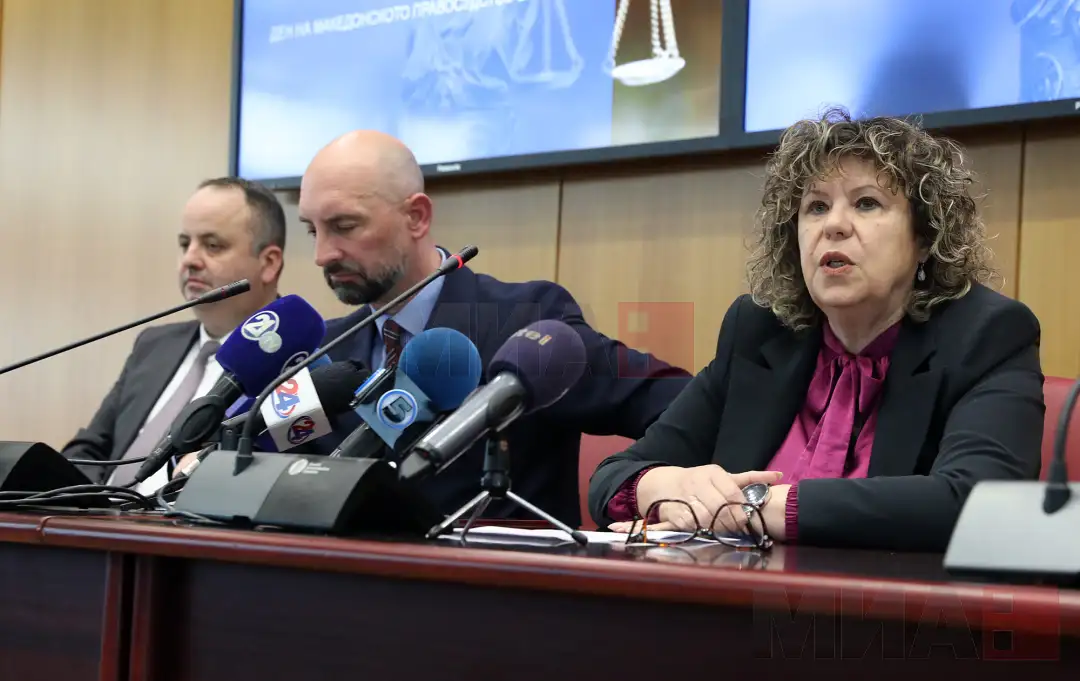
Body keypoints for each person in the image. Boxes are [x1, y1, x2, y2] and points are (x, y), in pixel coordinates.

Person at [588, 108, 1045, 553]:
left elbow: (981, 504)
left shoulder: (986, 334)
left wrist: (752, 507)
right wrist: (668, 486)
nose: (834, 225)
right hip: (737, 596)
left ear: (924, 238)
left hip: (889, 602)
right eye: (816, 207)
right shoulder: (759, 332)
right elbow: (612, 477)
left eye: (866, 203)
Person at [295, 129, 693, 528]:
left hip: (495, 565)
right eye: (313, 231)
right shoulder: (326, 351)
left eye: (344, 226)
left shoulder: (529, 325)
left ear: (416, 217)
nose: (322, 254)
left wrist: (643, 486)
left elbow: (684, 408)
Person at [63, 177, 286, 492]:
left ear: (268, 263)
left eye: (213, 245)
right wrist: (80, 500)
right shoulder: (154, 344)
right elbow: (91, 448)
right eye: (185, 244)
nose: (190, 260)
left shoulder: (299, 358)